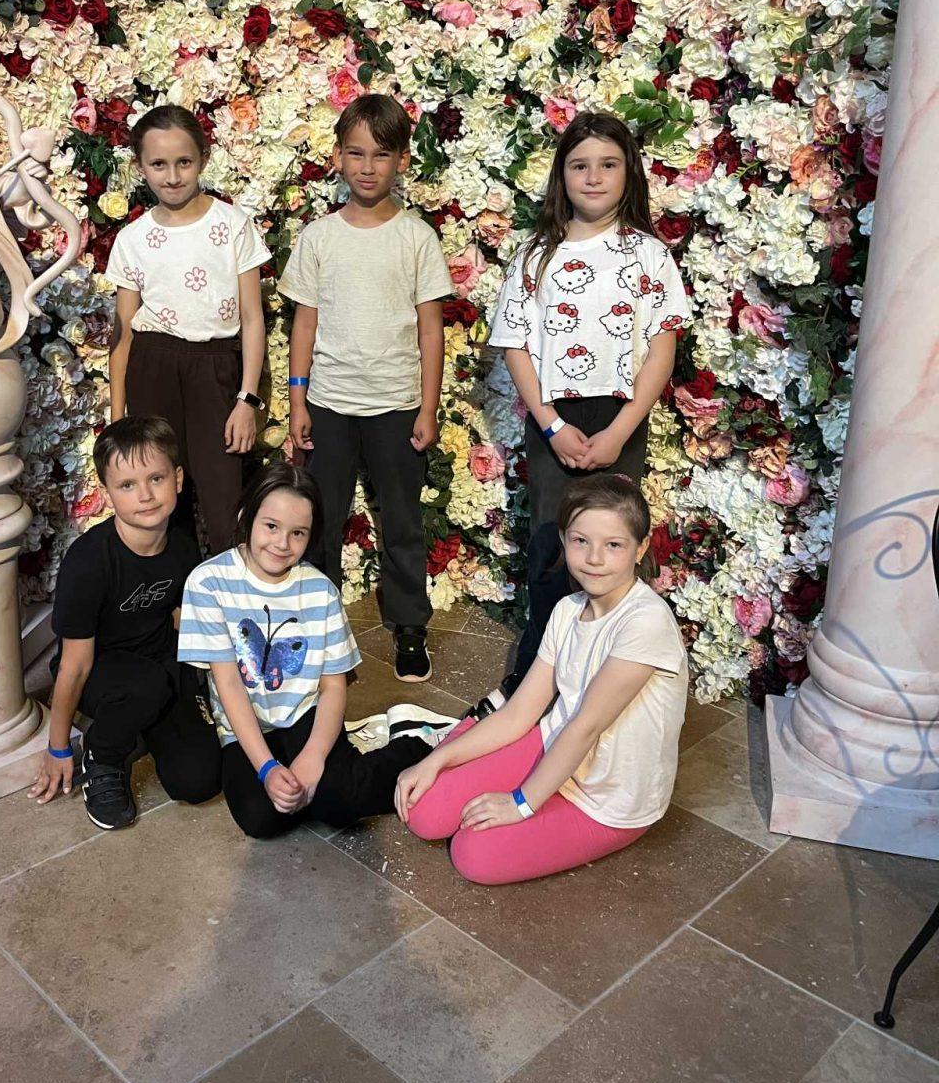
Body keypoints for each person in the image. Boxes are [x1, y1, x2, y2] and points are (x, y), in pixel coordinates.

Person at [479, 111, 689, 708]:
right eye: (579, 166)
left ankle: (607, 677)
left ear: (628, 174)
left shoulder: (649, 256)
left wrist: (621, 431)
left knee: (613, 542)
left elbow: (661, 350)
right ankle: (537, 680)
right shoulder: (535, 256)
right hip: (556, 421)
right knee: (554, 545)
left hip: (620, 418)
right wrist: (551, 425)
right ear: (561, 176)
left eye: (607, 165)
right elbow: (516, 345)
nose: (593, 177)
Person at [396, 474, 688, 886]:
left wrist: (520, 804)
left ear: (640, 549)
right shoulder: (568, 610)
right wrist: (435, 761)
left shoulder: (646, 621)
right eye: (581, 541)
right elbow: (520, 713)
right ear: (564, 539)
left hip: (608, 797)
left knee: (474, 854)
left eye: (613, 545)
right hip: (553, 743)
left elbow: (587, 726)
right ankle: (456, 746)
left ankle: (529, 803)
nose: (594, 558)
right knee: (423, 809)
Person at [279, 94, 450, 683]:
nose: (368, 167)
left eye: (381, 154)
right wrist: (297, 400)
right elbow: (305, 323)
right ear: (337, 157)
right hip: (328, 404)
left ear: (402, 160)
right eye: (356, 153)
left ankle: (409, 626)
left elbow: (430, 328)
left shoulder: (416, 238)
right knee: (320, 521)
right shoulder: (319, 238)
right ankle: (319, 629)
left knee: (401, 521)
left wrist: (427, 408)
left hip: (397, 405)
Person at [177, 461, 436, 839]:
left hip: (306, 715)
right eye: (271, 526)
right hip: (245, 726)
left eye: (297, 533)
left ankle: (416, 747)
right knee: (262, 818)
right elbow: (229, 685)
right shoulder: (208, 582)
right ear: (246, 516)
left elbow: (333, 686)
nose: (282, 544)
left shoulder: (320, 591)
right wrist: (268, 769)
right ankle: (329, 777)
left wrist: (314, 757)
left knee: (338, 805)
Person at [28, 415, 222, 831]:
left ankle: (141, 723)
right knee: (144, 686)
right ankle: (103, 754)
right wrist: (58, 746)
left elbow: (182, 622)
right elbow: (74, 664)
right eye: (128, 485)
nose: (146, 495)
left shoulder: (183, 547)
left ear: (178, 479)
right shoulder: (89, 561)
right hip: (100, 671)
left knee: (199, 781)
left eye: (156, 479)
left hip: (157, 665)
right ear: (107, 493)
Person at [105, 104, 269, 555]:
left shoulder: (232, 225)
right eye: (159, 164)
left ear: (203, 159)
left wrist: (246, 399)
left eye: (184, 162)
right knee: (159, 497)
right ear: (141, 167)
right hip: (152, 366)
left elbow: (253, 318)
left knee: (223, 496)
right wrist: (119, 417)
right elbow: (123, 334)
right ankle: (171, 592)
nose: (173, 176)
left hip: (215, 369)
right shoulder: (132, 239)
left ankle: (226, 590)